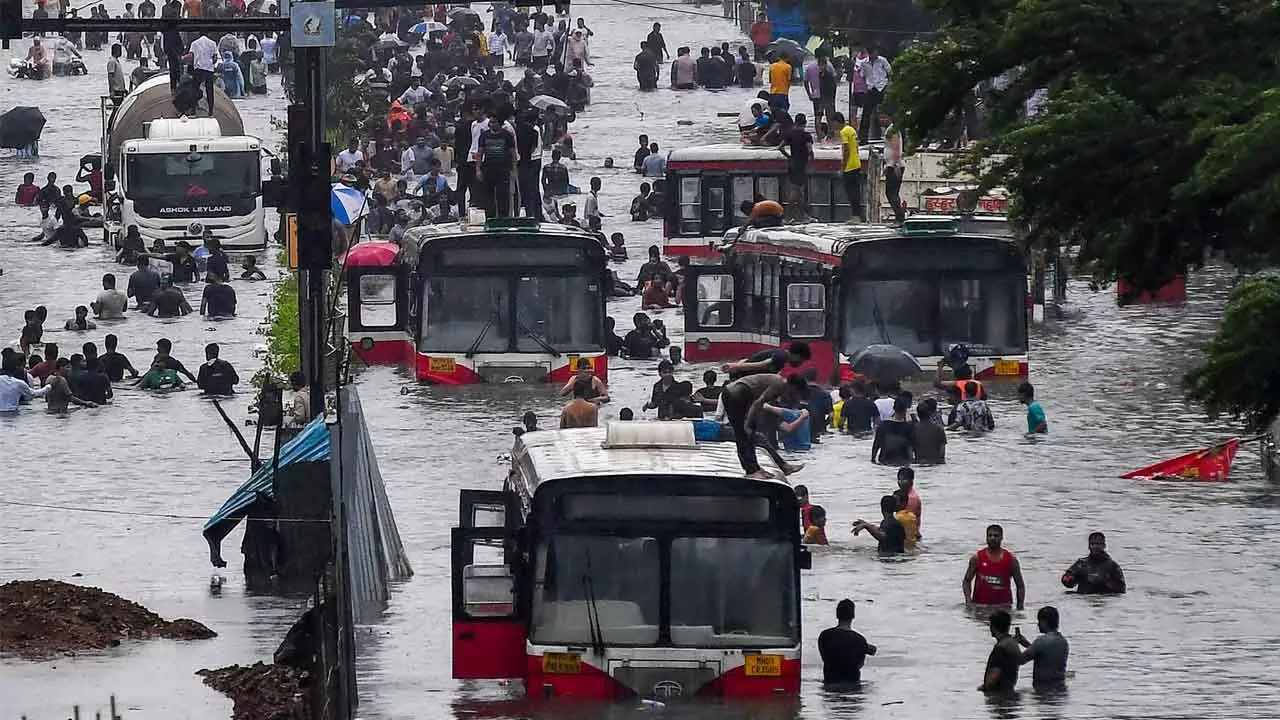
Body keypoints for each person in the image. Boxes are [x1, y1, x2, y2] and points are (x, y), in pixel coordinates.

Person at [721, 372, 806, 479]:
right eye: (795, 392)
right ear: (792, 386)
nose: (793, 395)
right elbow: (758, 403)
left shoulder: (778, 384)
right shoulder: (779, 384)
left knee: (748, 434)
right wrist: (748, 423)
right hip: (737, 394)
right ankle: (751, 470)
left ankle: (756, 468)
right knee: (744, 433)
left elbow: (758, 403)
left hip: (736, 394)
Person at [964, 524, 1026, 609]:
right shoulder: (977, 558)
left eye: (996, 536)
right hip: (980, 607)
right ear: (986, 537)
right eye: (990, 535)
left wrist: (1020, 607)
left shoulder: (1011, 560)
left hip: (1003, 607)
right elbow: (967, 581)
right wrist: (968, 602)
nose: (992, 538)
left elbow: (1020, 586)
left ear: (1001, 538)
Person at [818, 599, 876, 686]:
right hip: (853, 685)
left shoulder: (825, 635)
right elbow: (860, 663)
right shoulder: (859, 640)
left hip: (829, 682)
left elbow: (824, 657)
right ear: (853, 616)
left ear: (837, 615)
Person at [1015, 606, 1069, 691]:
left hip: (1042, 688)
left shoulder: (1041, 641)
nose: (1038, 624)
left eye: (1039, 621)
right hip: (1059, 687)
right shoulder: (1063, 641)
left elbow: (1020, 660)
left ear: (1044, 621)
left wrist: (1014, 644)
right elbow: (1044, 654)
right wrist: (1025, 643)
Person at [477, 116, 518, 218]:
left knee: (503, 196)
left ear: (500, 123)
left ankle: (503, 219)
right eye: (490, 122)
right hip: (488, 169)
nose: (491, 124)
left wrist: (514, 169)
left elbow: (513, 153)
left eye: (494, 122)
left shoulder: (507, 135)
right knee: (488, 197)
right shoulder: (484, 135)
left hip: (503, 170)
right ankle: (490, 218)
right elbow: (480, 153)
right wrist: (478, 169)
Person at [1061, 532, 1126, 594]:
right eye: (1092, 544)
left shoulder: (1112, 566)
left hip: (1103, 597)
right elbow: (1068, 582)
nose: (1095, 547)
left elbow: (1122, 589)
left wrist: (1104, 581)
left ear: (1104, 546)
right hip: (1083, 599)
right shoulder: (1081, 563)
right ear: (1089, 546)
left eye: (1098, 544)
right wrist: (1068, 579)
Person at [978, 610, 1021, 694]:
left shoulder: (1000, 649)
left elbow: (994, 677)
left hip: (999, 696)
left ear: (993, 628)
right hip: (1009, 691)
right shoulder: (1012, 643)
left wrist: (984, 687)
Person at [722, 342, 812, 379]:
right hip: (739, 377)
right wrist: (733, 366)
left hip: (741, 376)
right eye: (801, 360)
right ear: (796, 355)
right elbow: (761, 365)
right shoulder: (781, 357)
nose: (800, 363)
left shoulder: (781, 355)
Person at [835, 112, 864, 223]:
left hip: (850, 166)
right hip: (856, 163)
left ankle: (855, 217)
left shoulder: (844, 132)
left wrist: (843, 167)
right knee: (855, 191)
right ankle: (857, 216)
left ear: (836, 122)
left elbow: (846, 150)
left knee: (851, 192)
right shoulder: (851, 129)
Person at [871, 395, 914, 465]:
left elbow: (876, 445)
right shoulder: (909, 427)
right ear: (906, 409)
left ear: (893, 408)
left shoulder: (883, 425)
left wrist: (873, 459)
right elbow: (912, 448)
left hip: (885, 460)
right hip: (903, 461)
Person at [189, 31, 221, 116]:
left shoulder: (194, 43)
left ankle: (193, 109)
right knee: (209, 90)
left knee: (194, 89)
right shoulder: (213, 43)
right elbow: (215, 58)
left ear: (199, 34)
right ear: (208, 34)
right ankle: (210, 110)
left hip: (198, 69)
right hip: (209, 69)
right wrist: (211, 63)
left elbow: (191, 56)